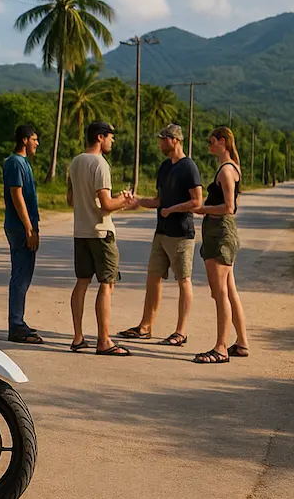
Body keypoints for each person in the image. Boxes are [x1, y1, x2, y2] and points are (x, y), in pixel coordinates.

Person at [119, 124, 203, 347]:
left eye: (163, 139)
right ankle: (145, 326)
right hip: (161, 232)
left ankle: (181, 332)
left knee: (183, 280)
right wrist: (137, 201)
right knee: (153, 276)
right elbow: (158, 201)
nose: (160, 143)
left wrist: (173, 209)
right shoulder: (165, 167)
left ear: (175, 140)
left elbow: (197, 201)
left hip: (181, 234)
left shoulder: (189, 167)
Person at [66, 121, 137, 355]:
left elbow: (71, 200)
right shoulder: (100, 164)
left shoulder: (75, 162)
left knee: (82, 282)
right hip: (101, 232)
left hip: (81, 231)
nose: (112, 141)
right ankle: (104, 340)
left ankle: (78, 337)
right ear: (100, 137)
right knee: (107, 284)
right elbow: (106, 204)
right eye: (110, 137)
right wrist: (124, 201)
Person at [192, 126, 249, 364]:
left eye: (212, 141)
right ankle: (241, 343)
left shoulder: (226, 171)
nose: (209, 145)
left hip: (220, 233)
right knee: (229, 290)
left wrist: (202, 209)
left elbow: (229, 207)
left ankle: (221, 348)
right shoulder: (231, 167)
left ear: (222, 142)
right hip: (220, 232)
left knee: (220, 293)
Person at [3, 124, 43, 344]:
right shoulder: (15, 162)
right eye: (34, 139)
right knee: (21, 275)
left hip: (24, 226)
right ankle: (16, 326)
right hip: (19, 227)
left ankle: (19, 321)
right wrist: (28, 228)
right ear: (25, 140)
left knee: (24, 274)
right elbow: (16, 195)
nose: (37, 143)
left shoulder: (23, 163)